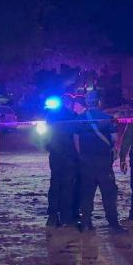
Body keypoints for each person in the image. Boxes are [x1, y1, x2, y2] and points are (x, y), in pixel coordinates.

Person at [72, 95, 124, 232]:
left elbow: (76, 139)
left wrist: (81, 155)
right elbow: (114, 137)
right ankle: (113, 224)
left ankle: (86, 223)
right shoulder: (106, 117)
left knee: (87, 193)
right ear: (99, 102)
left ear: (87, 104)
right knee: (109, 193)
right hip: (104, 161)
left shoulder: (80, 119)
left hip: (86, 161)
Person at [45, 95, 79, 227]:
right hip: (69, 155)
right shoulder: (73, 115)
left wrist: (48, 147)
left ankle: (52, 216)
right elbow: (77, 136)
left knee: (54, 183)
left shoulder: (51, 116)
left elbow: (45, 136)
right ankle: (66, 216)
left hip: (55, 155)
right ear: (70, 103)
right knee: (67, 185)